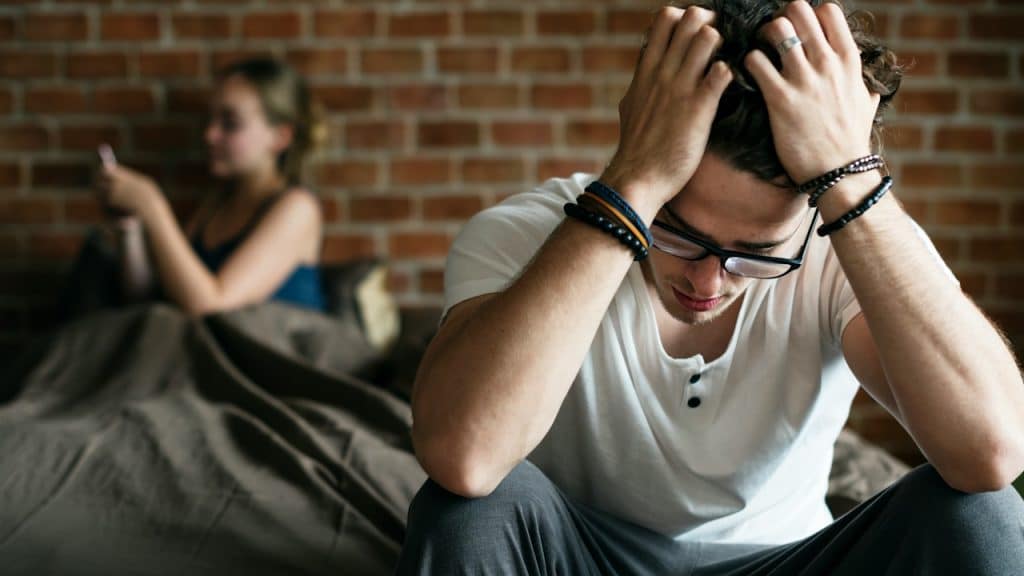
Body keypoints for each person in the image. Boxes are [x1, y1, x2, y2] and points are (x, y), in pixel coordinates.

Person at [397, 0, 1024, 573]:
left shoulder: (844, 240)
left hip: (788, 562)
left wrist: (849, 180)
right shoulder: (528, 233)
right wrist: (633, 187)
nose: (707, 279)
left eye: (754, 254)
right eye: (677, 232)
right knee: (467, 510)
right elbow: (465, 456)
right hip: (580, 559)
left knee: (979, 515)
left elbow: (993, 453)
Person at [92, 57, 327, 315]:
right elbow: (153, 298)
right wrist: (132, 228)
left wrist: (153, 207)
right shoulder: (217, 203)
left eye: (230, 123)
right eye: (211, 119)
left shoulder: (298, 208)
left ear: (281, 137)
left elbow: (213, 306)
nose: (210, 134)